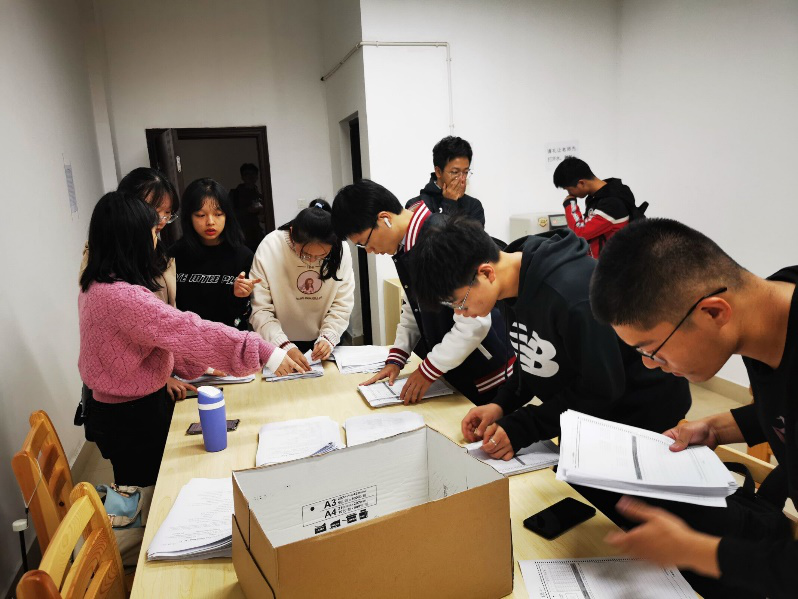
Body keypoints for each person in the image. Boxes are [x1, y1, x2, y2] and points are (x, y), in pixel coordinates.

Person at [590, 218, 797, 599]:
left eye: (653, 350)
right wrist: (718, 427)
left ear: (713, 312)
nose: (650, 365)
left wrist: (695, 551)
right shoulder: (769, 309)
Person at [408, 214, 690, 462]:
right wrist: (501, 404)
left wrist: (523, 427)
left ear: (486, 273)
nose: (461, 313)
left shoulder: (572, 295)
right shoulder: (512, 283)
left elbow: (601, 390)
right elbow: (533, 356)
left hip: (639, 419)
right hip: (589, 415)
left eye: (460, 302)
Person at [79, 192, 301, 486]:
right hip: (132, 415)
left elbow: (154, 340)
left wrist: (201, 364)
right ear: (131, 239)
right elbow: (187, 329)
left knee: (141, 483)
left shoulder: (97, 283)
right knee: (154, 489)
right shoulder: (122, 296)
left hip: (118, 410)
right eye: (153, 231)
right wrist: (263, 350)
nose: (156, 239)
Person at [332, 180, 515, 405]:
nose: (369, 251)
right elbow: (414, 304)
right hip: (453, 371)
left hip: (485, 374)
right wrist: (397, 357)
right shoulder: (407, 246)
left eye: (364, 243)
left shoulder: (439, 237)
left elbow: (474, 323)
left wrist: (427, 370)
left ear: (384, 218)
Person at [78, 167, 197, 401]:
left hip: (159, 375)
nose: (161, 221)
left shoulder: (160, 253)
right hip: (128, 389)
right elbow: (115, 335)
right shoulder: (103, 262)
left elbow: (167, 321)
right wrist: (162, 378)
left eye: (167, 213)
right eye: (154, 211)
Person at [249, 199, 355, 369]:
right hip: (277, 339)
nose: (311, 261)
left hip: (323, 341)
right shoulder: (271, 246)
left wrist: (329, 336)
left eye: (321, 256)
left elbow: (342, 303)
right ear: (292, 233)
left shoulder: (340, 249)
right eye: (305, 254)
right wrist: (283, 345)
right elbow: (261, 309)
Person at [170, 178, 259, 331]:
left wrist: (238, 295)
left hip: (229, 339)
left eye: (218, 214)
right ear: (189, 217)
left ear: (227, 216)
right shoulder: (174, 255)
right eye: (200, 215)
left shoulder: (243, 256)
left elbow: (249, 314)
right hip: (186, 339)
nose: (210, 222)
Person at [553, 156, 642, 258]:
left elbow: (579, 232)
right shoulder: (600, 196)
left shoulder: (611, 202)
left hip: (612, 264)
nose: (569, 194)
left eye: (568, 189)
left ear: (581, 183)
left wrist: (569, 204)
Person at [405, 136, 485, 226]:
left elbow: (473, 235)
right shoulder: (418, 205)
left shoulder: (474, 206)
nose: (462, 178)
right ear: (438, 172)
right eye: (455, 172)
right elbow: (436, 235)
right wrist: (450, 203)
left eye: (466, 172)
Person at [230, 162, 266, 251]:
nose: (250, 177)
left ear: (257, 177)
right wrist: (248, 210)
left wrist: (262, 214)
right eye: (247, 174)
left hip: (257, 235)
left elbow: (263, 218)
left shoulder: (260, 195)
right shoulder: (235, 194)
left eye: (253, 174)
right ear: (242, 177)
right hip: (241, 236)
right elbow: (230, 215)